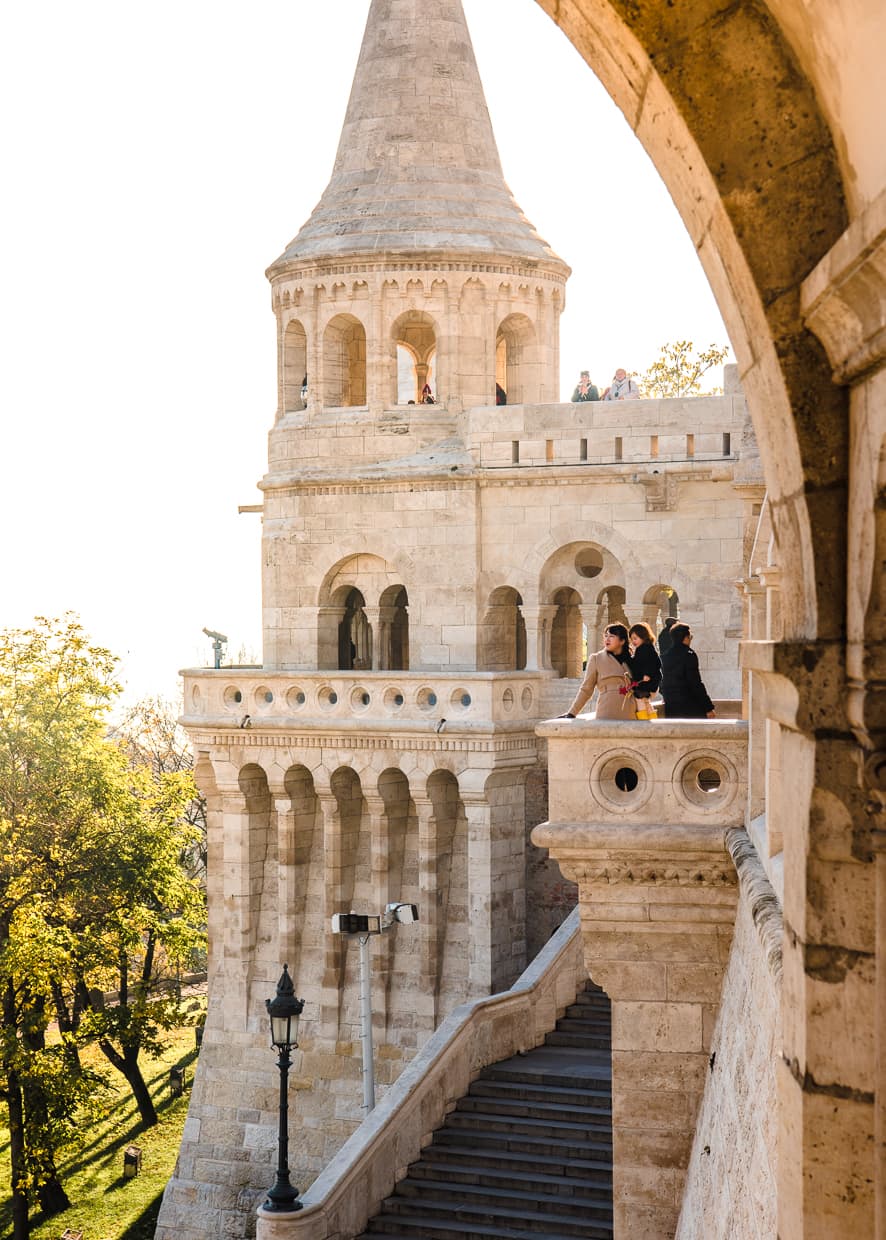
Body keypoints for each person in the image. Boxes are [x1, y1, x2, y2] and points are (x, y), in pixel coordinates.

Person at [560, 624, 636, 719]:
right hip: (607, 708)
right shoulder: (596, 659)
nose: (607, 639)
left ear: (622, 641)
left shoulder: (632, 661)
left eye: (611, 636)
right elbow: (586, 689)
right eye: (606, 636)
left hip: (630, 709)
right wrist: (572, 713)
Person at [661, 623, 715, 718]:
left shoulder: (665, 656)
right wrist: (708, 707)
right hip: (690, 705)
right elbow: (695, 683)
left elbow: (663, 681)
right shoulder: (689, 655)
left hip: (671, 705)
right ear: (685, 638)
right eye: (690, 637)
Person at [628, 623, 662, 704]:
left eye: (635, 638)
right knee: (645, 705)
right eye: (631, 639)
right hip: (646, 683)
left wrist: (647, 673)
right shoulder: (642, 648)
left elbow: (653, 662)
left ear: (643, 636)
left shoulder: (646, 649)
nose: (633, 641)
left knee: (642, 705)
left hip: (647, 683)